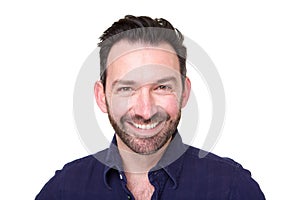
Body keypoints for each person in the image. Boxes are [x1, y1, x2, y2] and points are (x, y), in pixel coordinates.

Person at [36, 15, 265, 200]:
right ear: (101, 96)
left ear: (184, 92)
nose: (145, 111)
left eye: (162, 87)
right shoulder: (64, 191)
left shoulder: (232, 189)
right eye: (126, 89)